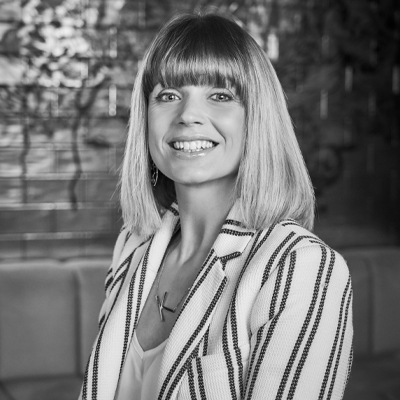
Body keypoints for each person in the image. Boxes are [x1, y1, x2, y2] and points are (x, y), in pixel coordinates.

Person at [79, 11, 353, 400]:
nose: (188, 115)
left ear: (257, 119)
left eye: (221, 95)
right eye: (168, 95)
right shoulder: (134, 245)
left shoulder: (301, 266)